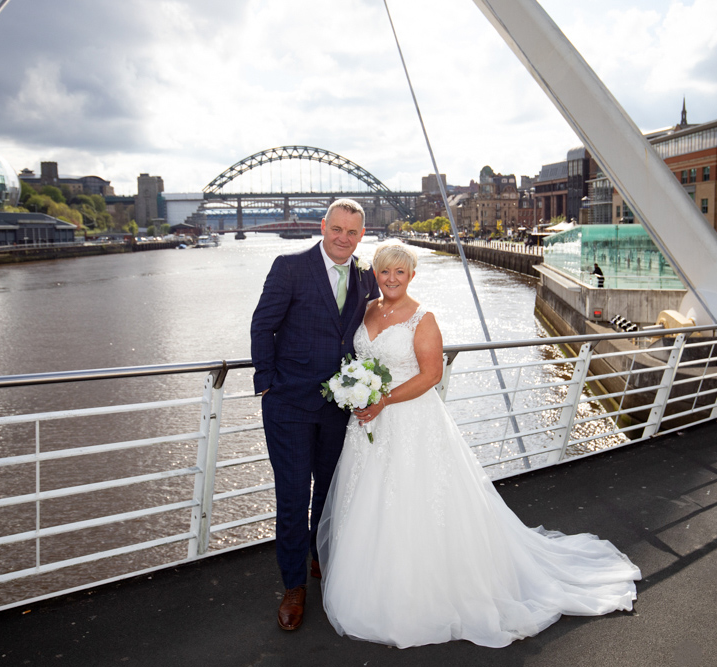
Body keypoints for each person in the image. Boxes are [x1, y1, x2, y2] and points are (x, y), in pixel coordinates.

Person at [317, 241, 640, 649]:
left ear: (412, 275)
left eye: (400, 272)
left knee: (416, 498)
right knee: (368, 498)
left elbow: (431, 375)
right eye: (384, 272)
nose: (391, 279)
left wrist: (383, 399)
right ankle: (371, 577)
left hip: (410, 420)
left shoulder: (423, 318)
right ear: (375, 274)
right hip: (367, 426)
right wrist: (358, 391)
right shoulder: (365, 310)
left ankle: (423, 589)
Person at [250, 198, 379, 631]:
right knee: (292, 499)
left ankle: (321, 557)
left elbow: (368, 331)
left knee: (329, 491)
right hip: (288, 404)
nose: (343, 238)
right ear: (323, 227)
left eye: (353, 232)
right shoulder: (289, 267)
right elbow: (262, 325)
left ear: (362, 235)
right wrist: (267, 380)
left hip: (338, 407)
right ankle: (293, 585)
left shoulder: (365, 275)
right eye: (337, 229)